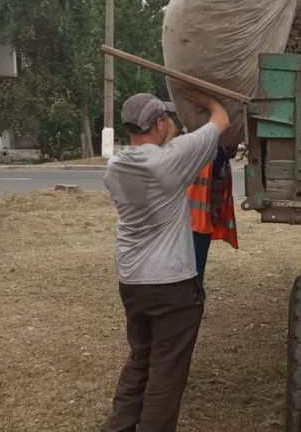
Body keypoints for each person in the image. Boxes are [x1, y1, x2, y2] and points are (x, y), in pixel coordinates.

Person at [101, 90, 229, 432]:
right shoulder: (170, 160)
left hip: (132, 282)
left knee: (141, 358)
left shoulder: (115, 167)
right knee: (166, 372)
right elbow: (222, 121)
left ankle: (118, 427)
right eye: (167, 119)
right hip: (171, 285)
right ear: (158, 123)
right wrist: (207, 100)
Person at [188, 146, 238, 284]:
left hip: (197, 221)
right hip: (198, 223)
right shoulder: (210, 153)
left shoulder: (211, 150)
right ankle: (194, 296)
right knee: (192, 273)